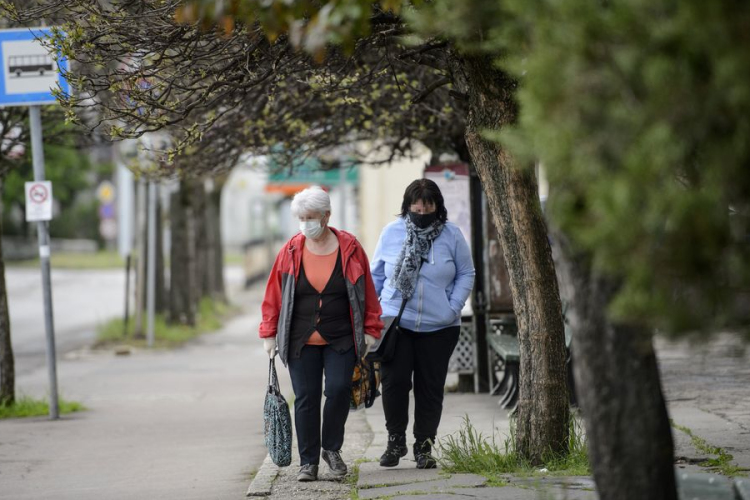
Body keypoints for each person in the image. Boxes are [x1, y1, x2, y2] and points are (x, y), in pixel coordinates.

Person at [259, 186, 383, 482]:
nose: (305, 223)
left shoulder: (350, 248)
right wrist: (268, 334)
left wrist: (371, 329)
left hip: (341, 337)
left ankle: (331, 448)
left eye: (311, 217)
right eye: (301, 218)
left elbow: (367, 293)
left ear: (327, 216)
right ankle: (309, 461)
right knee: (305, 397)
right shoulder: (290, 251)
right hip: (301, 340)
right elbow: (274, 295)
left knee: (339, 390)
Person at [370, 178, 475, 469]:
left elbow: (466, 272)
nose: (421, 208)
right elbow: (375, 276)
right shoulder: (391, 233)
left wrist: (452, 307)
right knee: (394, 384)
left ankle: (424, 446)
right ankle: (395, 441)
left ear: (437, 206)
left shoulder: (452, 235)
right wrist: (379, 310)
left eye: (428, 203)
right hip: (397, 324)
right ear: (407, 205)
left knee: (430, 388)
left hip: (440, 327)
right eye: (416, 203)